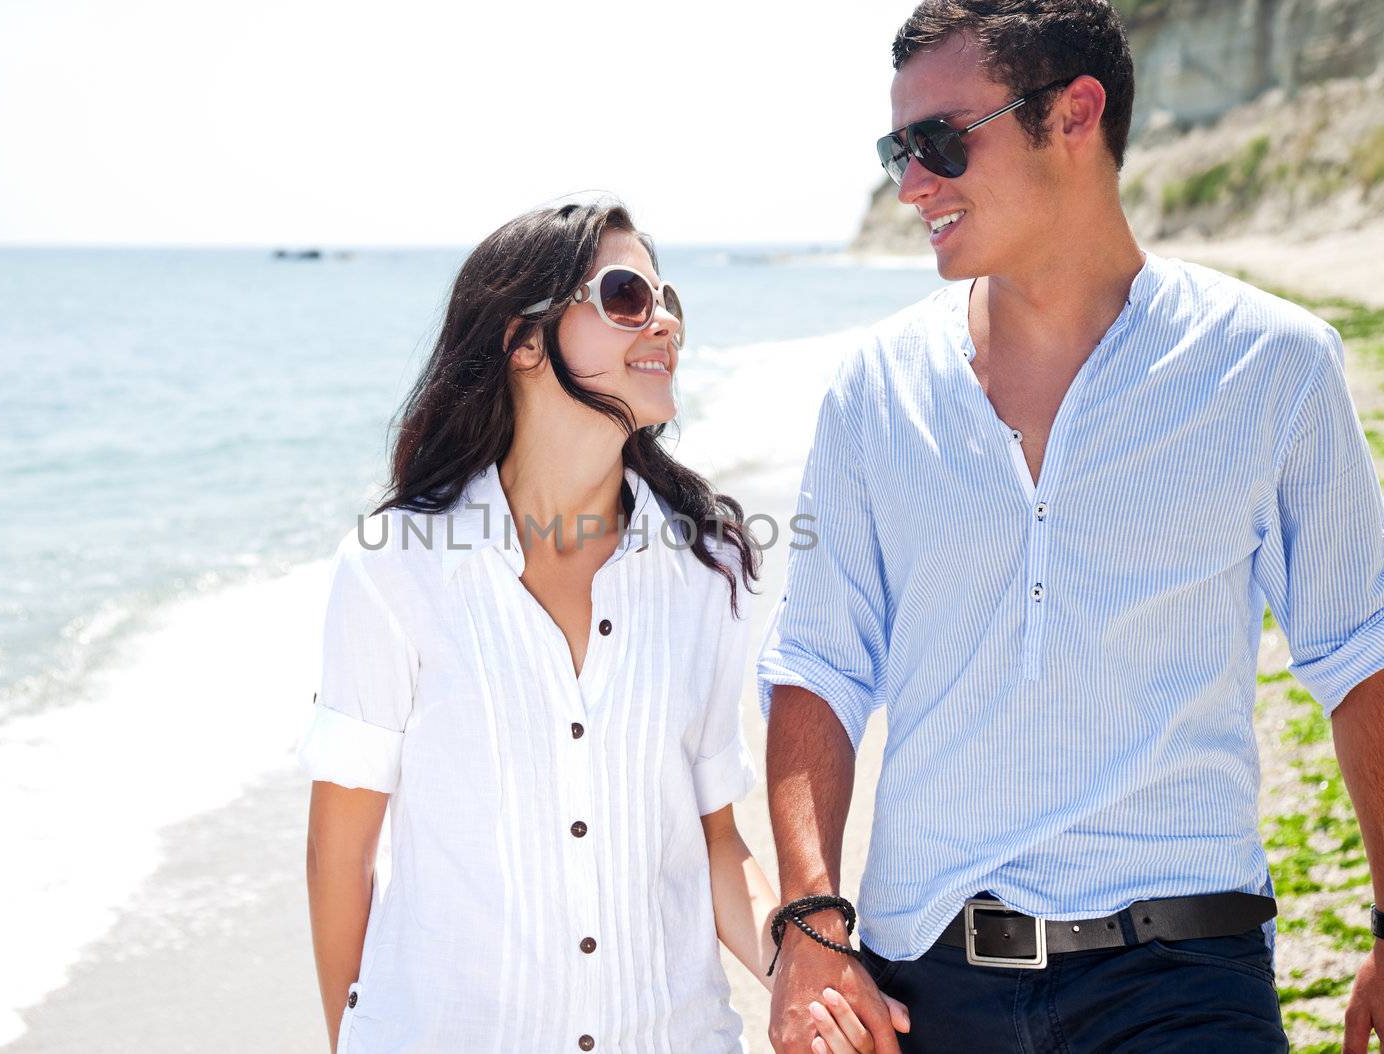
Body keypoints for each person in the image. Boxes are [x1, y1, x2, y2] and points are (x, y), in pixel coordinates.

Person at [759, 2, 1384, 1052]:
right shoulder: (876, 387)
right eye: (896, 149)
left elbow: (1359, 654)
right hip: (924, 984)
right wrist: (808, 922)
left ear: (1073, 113)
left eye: (939, 140)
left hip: (1184, 975)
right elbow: (817, 661)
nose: (911, 183)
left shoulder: (1275, 365)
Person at [298, 201, 877, 1052]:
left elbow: (714, 840)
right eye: (626, 296)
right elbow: (340, 855)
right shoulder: (396, 566)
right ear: (524, 342)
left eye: (666, 295)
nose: (666, 320)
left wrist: (805, 969)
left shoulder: (706, 565)